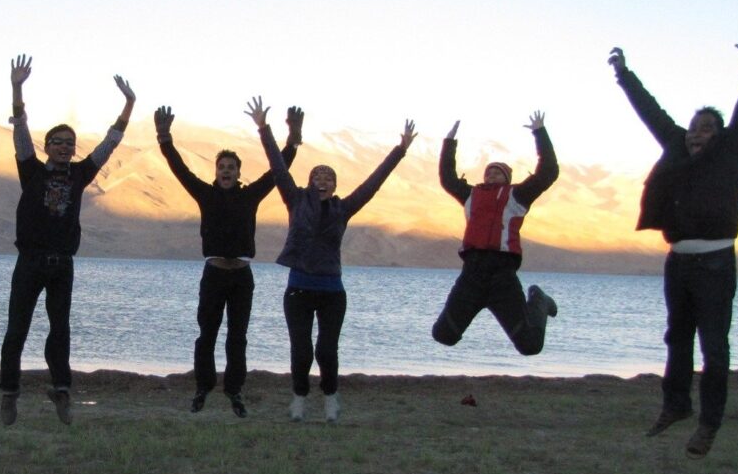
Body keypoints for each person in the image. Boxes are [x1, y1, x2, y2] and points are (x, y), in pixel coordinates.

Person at [610, 31, 738, 459]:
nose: (697, 134)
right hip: (678, 262)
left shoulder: (733, 151)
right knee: (677, 338)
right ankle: (676, 404)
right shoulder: (677, 147)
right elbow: (651, 113)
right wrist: (624, 75)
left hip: (716, 262)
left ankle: (709, 424)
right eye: (694, 127)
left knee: (714, 347)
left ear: (720, 135)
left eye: (707, 128)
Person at [254, 97, 415, 422]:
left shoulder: (343, 208)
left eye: (329, 177)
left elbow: (374, 182)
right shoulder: (295, 200)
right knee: (301, 351)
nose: (323, 180)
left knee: (326, 351)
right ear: (310, 181)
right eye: (318, 176)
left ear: (335, 185)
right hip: (298, 290)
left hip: (331, 291)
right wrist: (264, 128)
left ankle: (330, 397)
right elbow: (278, 168)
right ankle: (299, 398)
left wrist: (400, 150)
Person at [0, 55, 135, 425]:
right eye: (57, 142)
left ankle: (61, 392)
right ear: (46, 146)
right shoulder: (30, 170)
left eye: (70, 143)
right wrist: (16, 88)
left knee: (60, 331)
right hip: (29, 262)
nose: (64, 147)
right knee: (17, 330)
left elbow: (110, 143)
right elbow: (20, 131)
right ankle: (9, 394)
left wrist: (128, 104)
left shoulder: (80, 174)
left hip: (62, 265)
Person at [156, 103, 301, 416]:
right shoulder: (205, 194)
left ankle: (234, 390)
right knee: (207, 334)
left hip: (241, 277)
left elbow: (278, 170)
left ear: (238, 172)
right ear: (216, 172)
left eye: (231, 167)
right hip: (214, 274)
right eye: (221, 167)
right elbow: (180, 169)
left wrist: (293, 137)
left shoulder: (250, 195)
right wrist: (164, 137)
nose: (226, 171)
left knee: (238, 336)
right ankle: (203, 388)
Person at [432, 112, 560, 355]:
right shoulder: (471, 195)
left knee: (530, 345)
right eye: (488, 172)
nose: (491, 175)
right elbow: (448, 179)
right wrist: (449, 143)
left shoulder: (517, 195)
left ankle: (539, 300)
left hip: (503, 276)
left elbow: (548, 172)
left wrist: (540, 133)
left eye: (497, 172)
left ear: (507, 178)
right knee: (443, 335)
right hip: (472, 274)